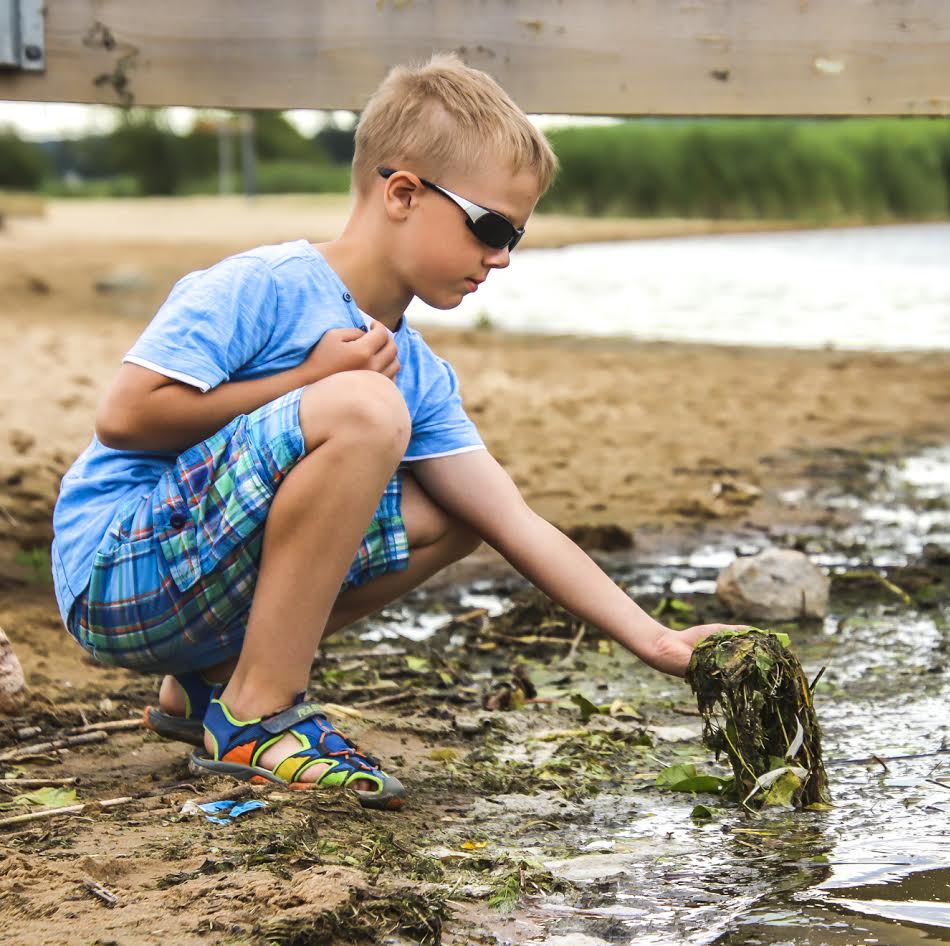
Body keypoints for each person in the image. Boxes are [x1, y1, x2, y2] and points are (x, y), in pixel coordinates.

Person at [49, 53, 743, 810]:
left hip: (191, 595)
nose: (502, 257)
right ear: (404, 193)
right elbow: (124, 418)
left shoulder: (416, 366)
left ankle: (210, 683)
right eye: (489, 227)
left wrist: (656, 641)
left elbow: (510, 518)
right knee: (365, 408)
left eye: (516, 235)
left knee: (458, 511)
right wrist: (304, 382)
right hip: (114, 573)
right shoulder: (264, 284)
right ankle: (257, 713)